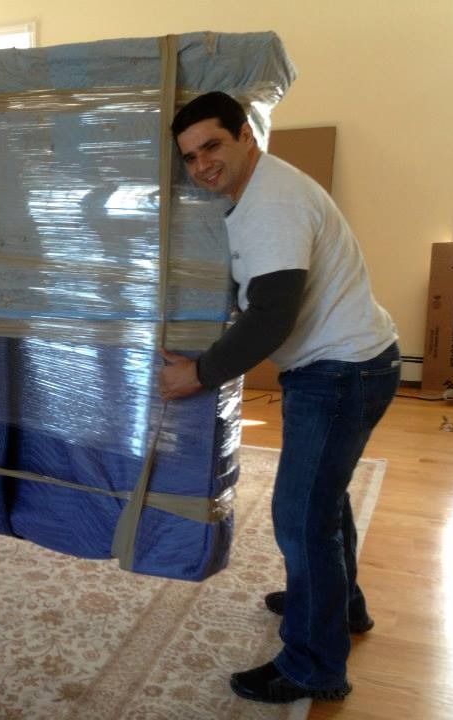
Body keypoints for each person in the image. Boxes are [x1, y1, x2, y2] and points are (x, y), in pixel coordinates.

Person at [161, 92, 400, 704]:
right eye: (189, 158)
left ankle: (315, 666)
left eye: (211, 146)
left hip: (340, 371)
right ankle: (338, 605)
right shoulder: (260, 192)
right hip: (350, 362)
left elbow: (271, 317)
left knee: (299, 519)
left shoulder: (272, 202)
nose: (201, 166)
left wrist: (201, 373)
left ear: (245, 135)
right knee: (323, 499)